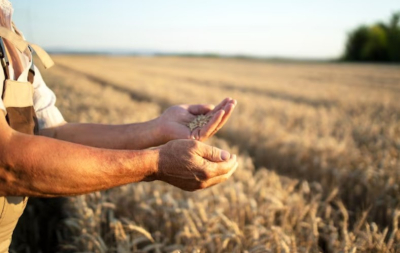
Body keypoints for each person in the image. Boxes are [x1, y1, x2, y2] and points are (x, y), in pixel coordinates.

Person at [0, 0, 238, 251]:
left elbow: (52, 133)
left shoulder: (10, 32)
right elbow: (6, 162)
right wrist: (156, 164)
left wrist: (157, 128)